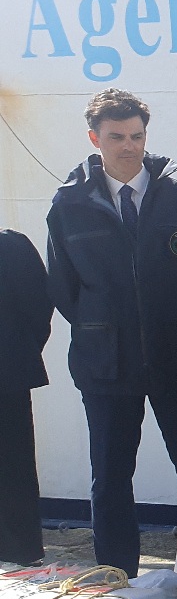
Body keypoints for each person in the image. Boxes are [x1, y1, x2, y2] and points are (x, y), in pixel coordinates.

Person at [45, 89, 177, 577]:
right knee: (110, 476)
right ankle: (115, 575)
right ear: (94, 138)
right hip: (106, 362)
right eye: (117, 137)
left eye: (137, 136)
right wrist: (101, 326)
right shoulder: (69, 206)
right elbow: (64, 288)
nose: (129, 147)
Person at [0, 229, 53, 565]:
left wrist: (19, 352)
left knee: (14, 463)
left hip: (7, 375)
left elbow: (39, 303)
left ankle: (20, 548)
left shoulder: (11, 247)